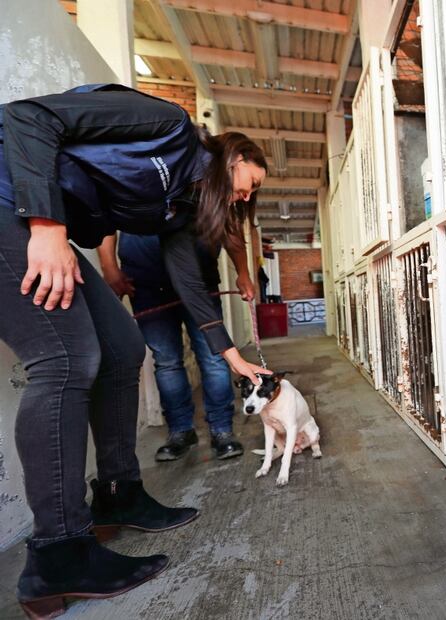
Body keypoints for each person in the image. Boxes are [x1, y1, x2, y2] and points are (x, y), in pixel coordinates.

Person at [0, 83, 273, 617]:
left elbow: (189, 286)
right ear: (235, 158)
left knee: (124, 348)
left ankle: (120, 493)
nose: (245, 198)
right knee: (66, 359)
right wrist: (48, 227)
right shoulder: (166, 125)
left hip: (31, 219)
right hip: (12, 206)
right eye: (249, 185)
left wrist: (231, 355)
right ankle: (58, 554)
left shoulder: (180, 204)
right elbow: (26, 117)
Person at [97, 230, 251, 462]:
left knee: (213, 357)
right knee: (166, 362)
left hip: (200, 281)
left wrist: (244, 272)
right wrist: (109, 268)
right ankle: (181, 431)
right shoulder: (129, 193)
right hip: (146, 284)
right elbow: (108, 221)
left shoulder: (205, 193)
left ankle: (222, 429)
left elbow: (228, 227)